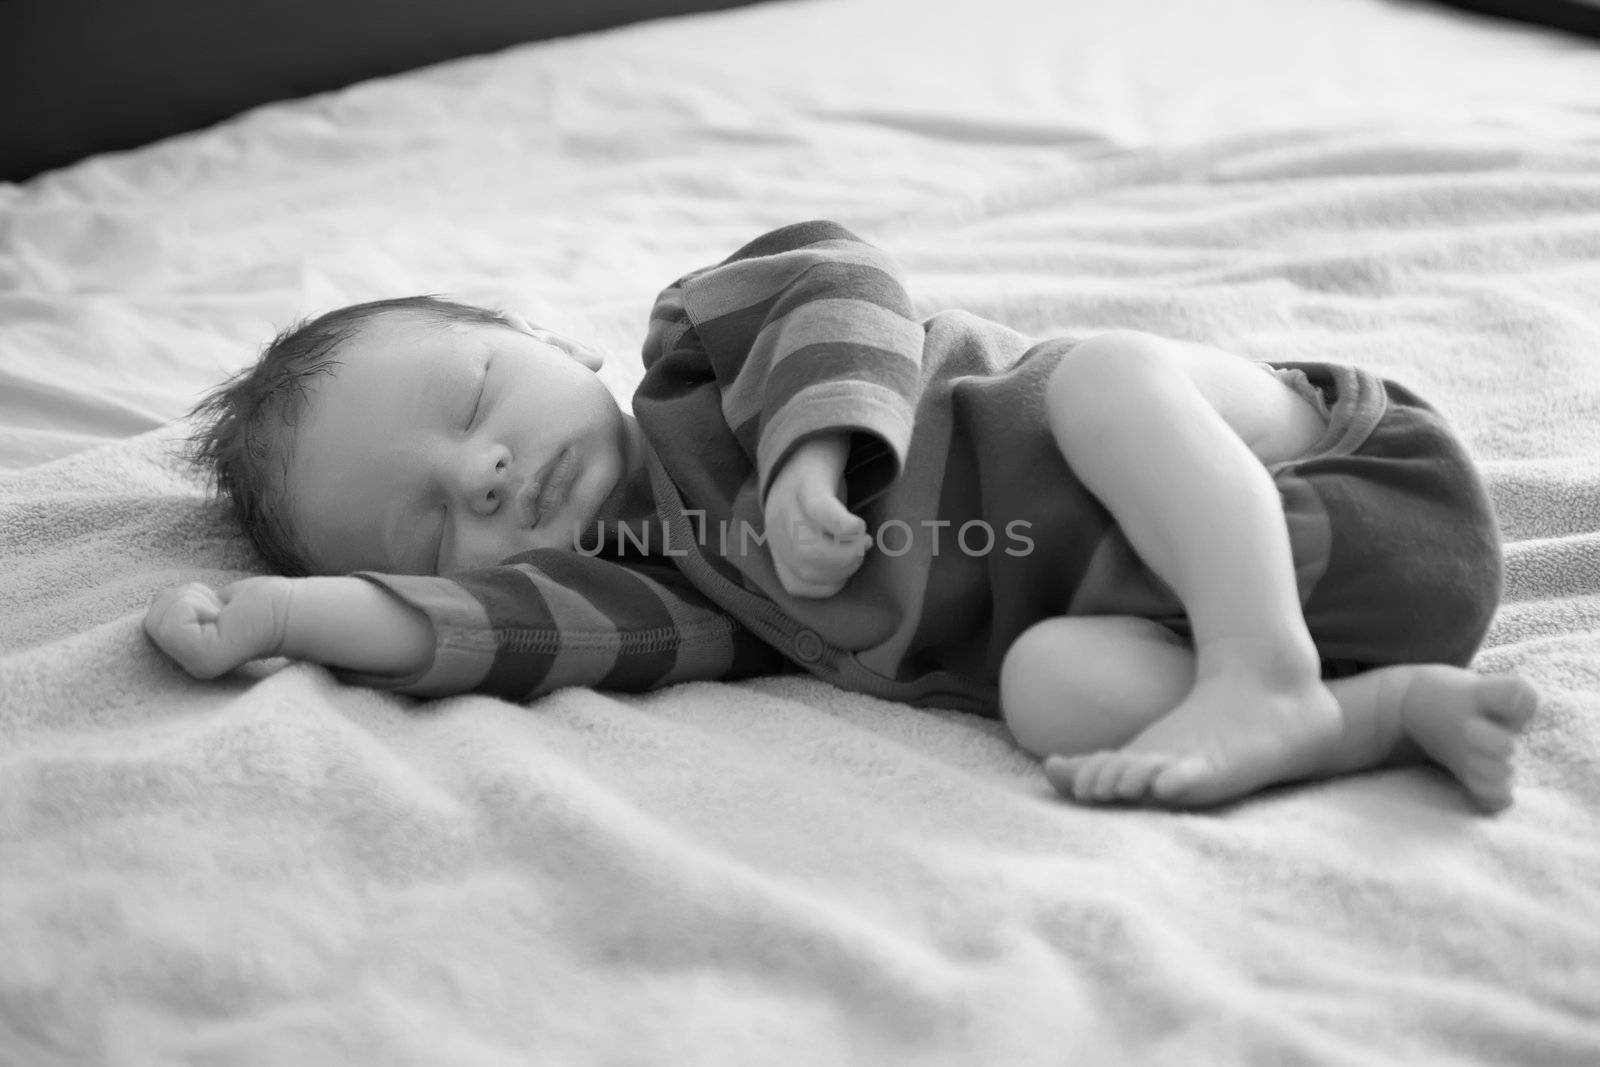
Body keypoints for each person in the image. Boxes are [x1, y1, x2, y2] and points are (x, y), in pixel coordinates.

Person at [143, 220, 1538, 811]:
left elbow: (839, 277)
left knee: (1101, 380)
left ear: (556, 346)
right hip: (1323, 610)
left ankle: (1260, 668)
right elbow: (501, 632)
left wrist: (811, 451)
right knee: (1049, 692)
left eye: (475, 402)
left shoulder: (705, 357)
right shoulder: (674, 595)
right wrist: (281, 618)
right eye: (434, 513)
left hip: (1332, 477)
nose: (488, 474)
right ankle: (1366, 710)